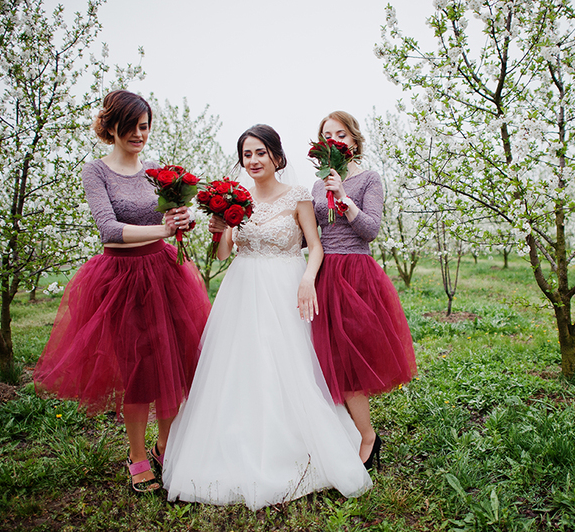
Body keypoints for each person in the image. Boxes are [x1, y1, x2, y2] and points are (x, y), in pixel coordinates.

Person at [162, 124, 372, 510]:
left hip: (288, 286)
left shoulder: (297, 196)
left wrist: (308, 281)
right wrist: (221, 228)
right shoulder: (234, 199)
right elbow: (224, 255)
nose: (253, 161)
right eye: (247, 154)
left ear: (276, 156)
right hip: (243, 288)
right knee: (241, 366)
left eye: (260, 152)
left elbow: (315, 246)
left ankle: (303, 441)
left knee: (290, 365)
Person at [34, 90, 211, 493]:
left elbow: (166, 216)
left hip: (165, 272)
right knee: (138, 369)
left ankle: (165, 445)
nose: (138, 134)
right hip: (122, 278)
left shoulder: (153, 170)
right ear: (111, 127)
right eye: (131, 126)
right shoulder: (96, 171)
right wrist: (163, 229)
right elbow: (109, 230)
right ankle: (136, 455)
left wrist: (179, 217)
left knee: (172, 360)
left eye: (144, 126)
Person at [311, 111, 417, 469]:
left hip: (355, 273)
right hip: (322, 272)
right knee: (325, 359)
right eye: (327, 135)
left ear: (354, 140)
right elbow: (309, 233)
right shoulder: (315, 183)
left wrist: (343, 196)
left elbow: (371, 229)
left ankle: (368, 437)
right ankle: (344, 433)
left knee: (350, 359)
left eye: (341, 134)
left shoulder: (369, 179)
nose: (334, 140)